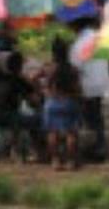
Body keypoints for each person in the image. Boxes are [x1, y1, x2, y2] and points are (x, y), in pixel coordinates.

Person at [41, 37, 83, 169]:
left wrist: (45, 91)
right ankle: (70, 162)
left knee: (52, 132)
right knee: (71, 133)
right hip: (69, 101)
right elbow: (78, 88)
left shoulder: (49, 68)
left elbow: (35, 79)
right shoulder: (73, 69)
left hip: (52, 102)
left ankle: (56, 161)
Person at [0, 52, 40, 162]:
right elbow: (34, 100)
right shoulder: (17, 80)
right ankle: (35, 151)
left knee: (20, 118)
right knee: (38, 120)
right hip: (10, 117)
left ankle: (12, 150)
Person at [74, 24, 109, 161]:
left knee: (88, 121)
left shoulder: (78, 44)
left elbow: (75, 68)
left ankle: (92, 149)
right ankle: (100, 148)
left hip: (87, 88)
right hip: (101, 86)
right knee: (98, 118)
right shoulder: (101, 40)